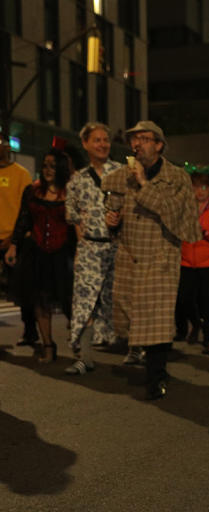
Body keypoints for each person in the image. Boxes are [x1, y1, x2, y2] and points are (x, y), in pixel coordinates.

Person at [102, 120, 201, 400]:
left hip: (160, 257)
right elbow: (113, 208)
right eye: (135, 139)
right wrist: (112, 221)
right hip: (131, 255)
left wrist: (144, 184)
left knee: (156, 319)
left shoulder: (177, 177)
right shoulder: (123, 176)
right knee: (131, 317)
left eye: (145, 139)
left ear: (158, 145)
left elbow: (174, 214)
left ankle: (156, 376)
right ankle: (149, 364)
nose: (138, 144)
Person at [4, 145, 75, 364]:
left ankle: (82, 347)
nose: (47, 170)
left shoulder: (70, 192)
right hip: (37, 253)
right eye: (45, 166)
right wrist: (14, 245)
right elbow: (23, 219)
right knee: (40, 300)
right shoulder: (33, 190)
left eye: (53, 166)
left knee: (69, 301)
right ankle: (48, 345)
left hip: (62, 253)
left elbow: (76, 225)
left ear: (61, 168)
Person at [63, 122, 121, 374]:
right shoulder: (77, 179)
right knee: (84, 301)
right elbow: (72, 215)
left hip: (118, 247)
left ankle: (137, 350)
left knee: (121, 301)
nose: (102, 144)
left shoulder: (121, 173)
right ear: (85, 144)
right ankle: (85, 356)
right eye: (96, 140)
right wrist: (80, 246)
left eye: (105, 139)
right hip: (89, 248)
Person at [175, 165, 209, 354]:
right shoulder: (185, 206)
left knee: (207, 301)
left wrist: (207, 232)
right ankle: (196, 324)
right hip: (186, 260)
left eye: (203, 187)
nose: (199, 191)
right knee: (184, 299)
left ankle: (207, 338)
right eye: (195, 187)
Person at [0, 133, 37, 347]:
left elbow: (26, 211)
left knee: (23, 288)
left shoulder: (21, 175)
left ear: (7, 147)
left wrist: (12, 239)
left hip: (14, 240)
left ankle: (30, 330)